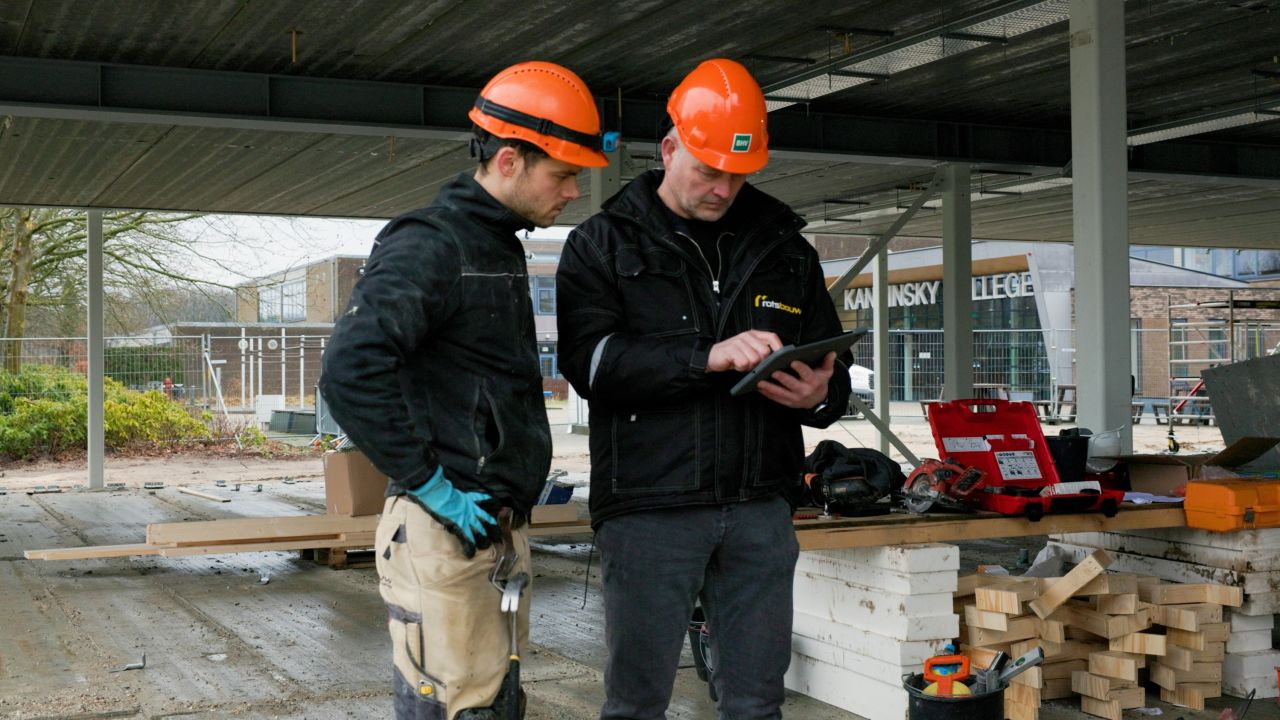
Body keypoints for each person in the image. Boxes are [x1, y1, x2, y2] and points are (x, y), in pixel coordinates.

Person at [555, 58, 853, 720]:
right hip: (650, 508)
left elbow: (832, 374)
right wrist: (706, 357)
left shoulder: (785, 250)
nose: (722, 188)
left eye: (737, 174)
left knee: (757, 703)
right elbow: (593, 366)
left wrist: (820, 400)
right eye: (707, 170)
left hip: (759, 507)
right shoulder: (601, 243)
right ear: (669, 149)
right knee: (637, 702)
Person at [319, 60, 613, 720]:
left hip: (489, 530)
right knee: (459, 708)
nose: (573, 191)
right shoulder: (433, 243)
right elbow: (349, 368)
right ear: (509, 159)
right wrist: (429, 485)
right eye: (563, 173)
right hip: (444, 528)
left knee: (495, 702)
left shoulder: (498, 243)